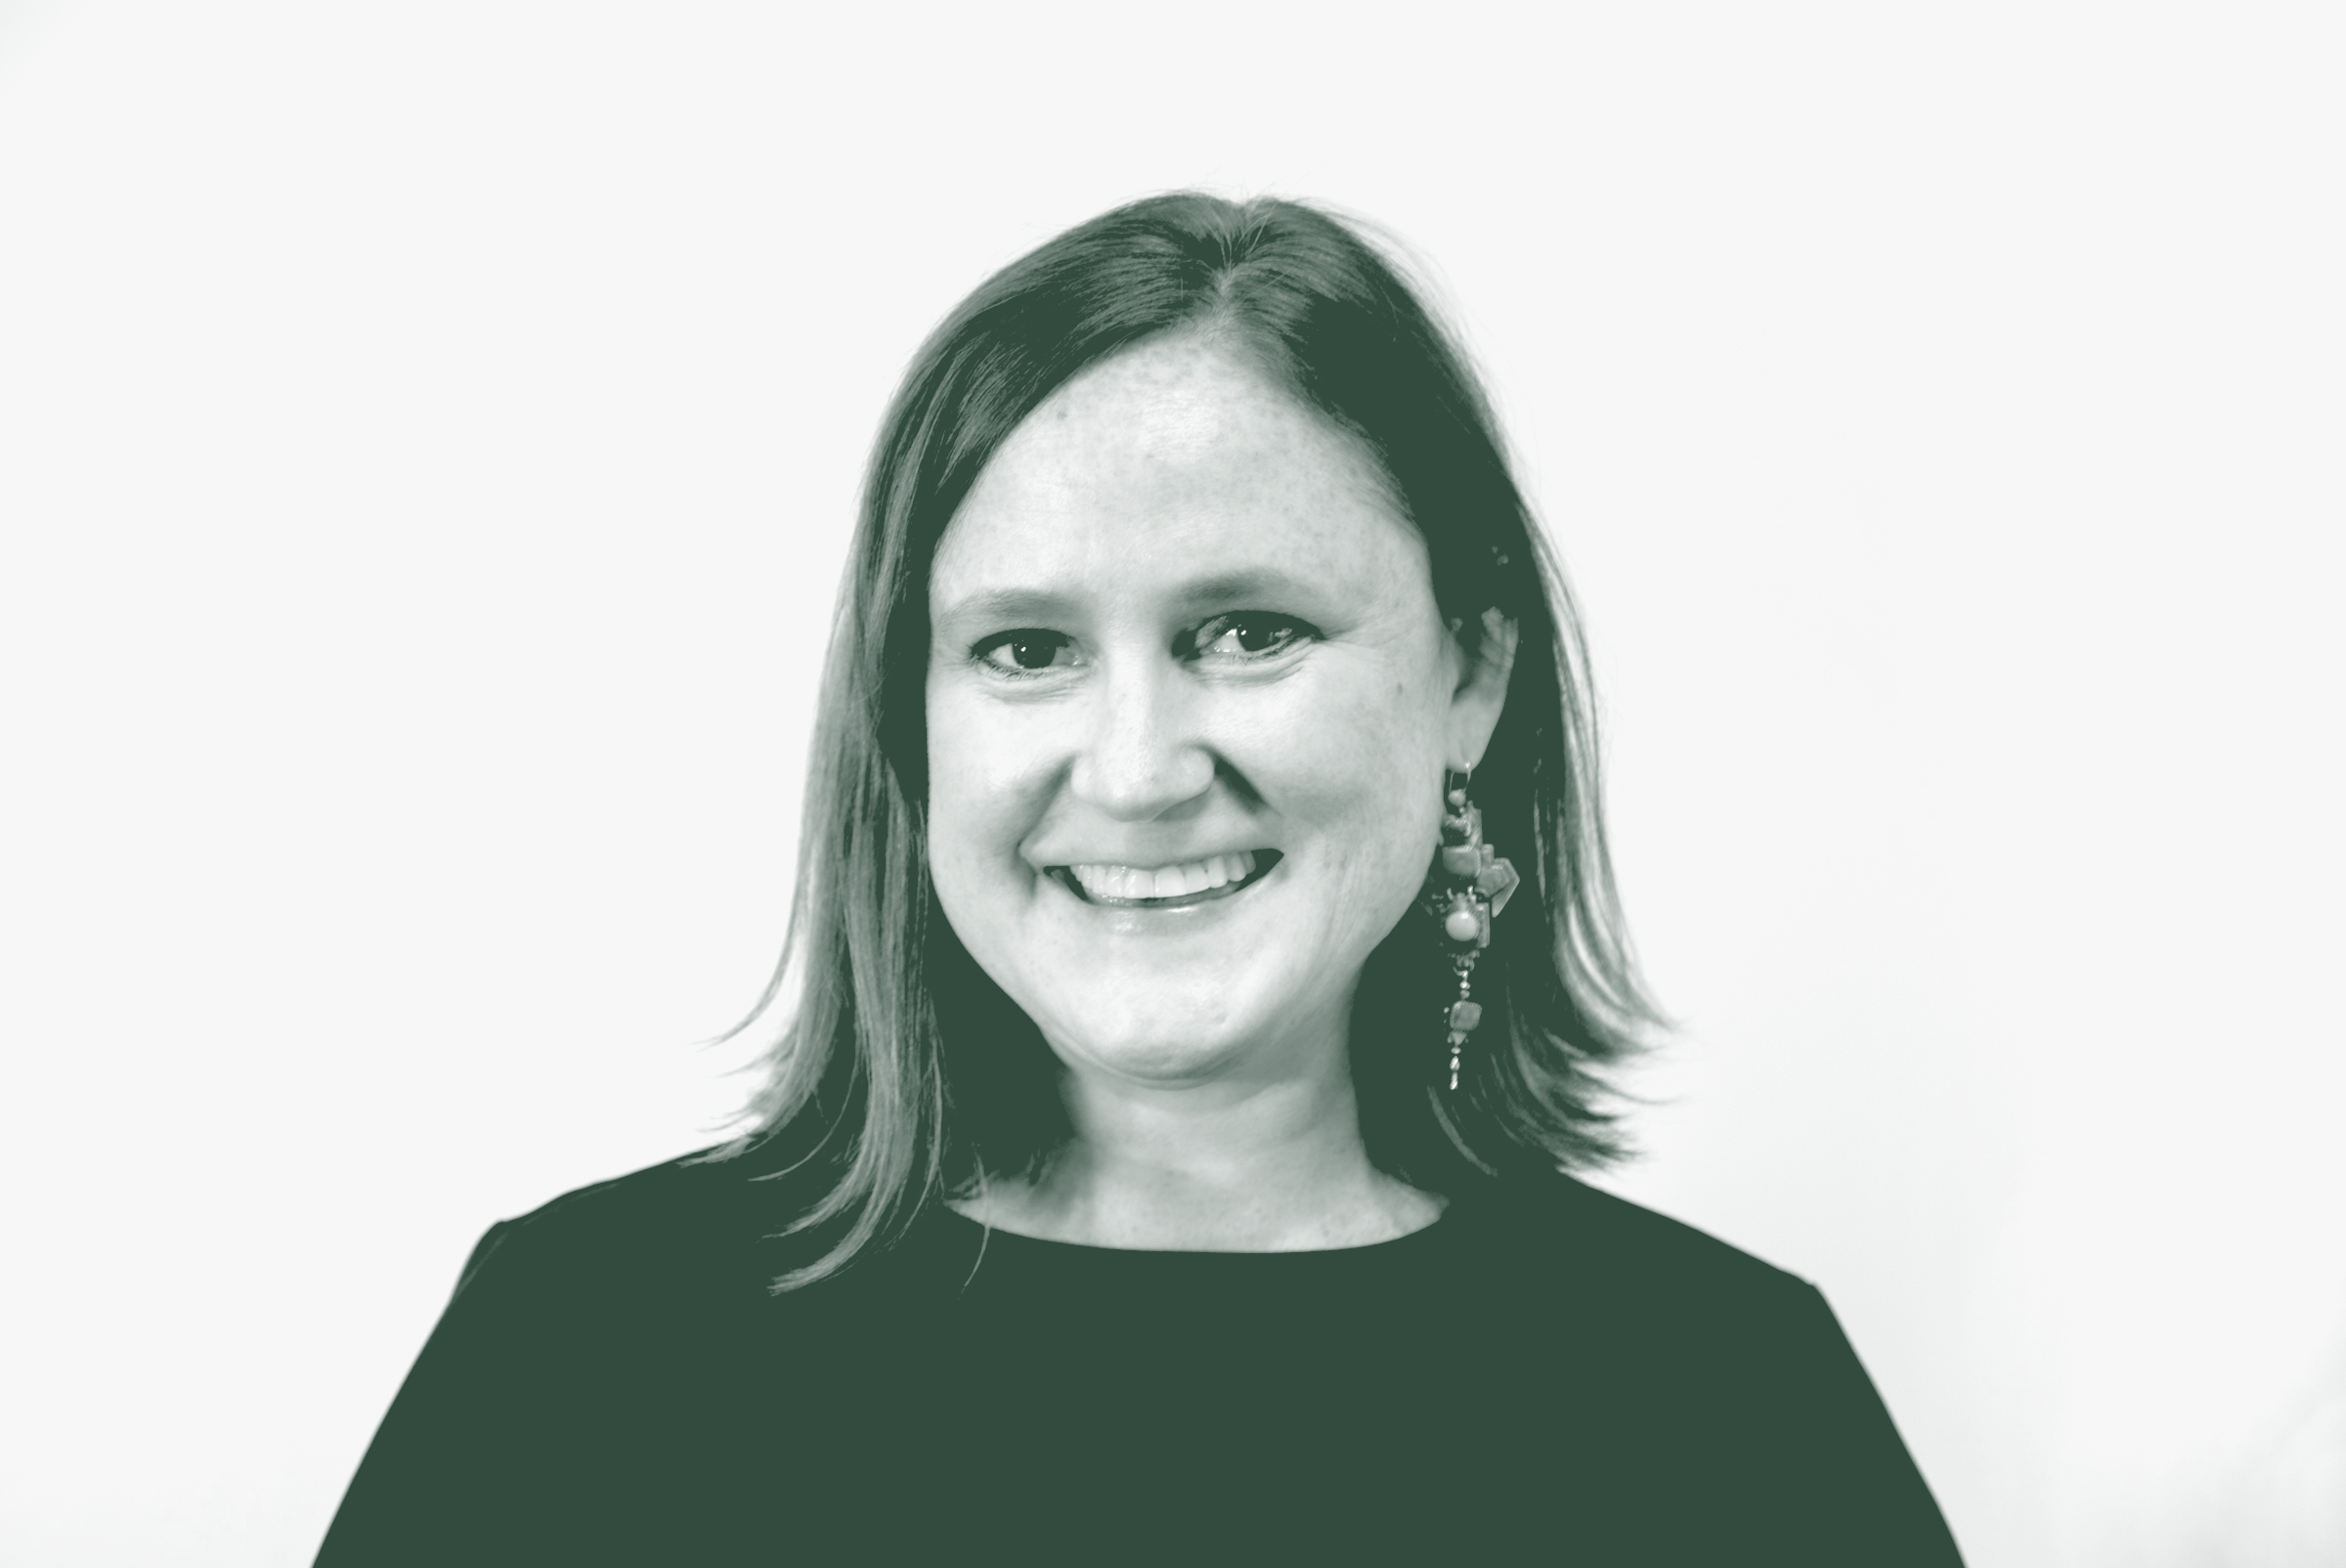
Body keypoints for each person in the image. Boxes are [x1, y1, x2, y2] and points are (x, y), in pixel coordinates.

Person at [315, 193, 1966, 1565]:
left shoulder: (1734, 1399)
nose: (1134, 768)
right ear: (913, 726)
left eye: (1249, 632)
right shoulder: (586, 1347)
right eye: (1025, 648)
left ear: (1472, 674)